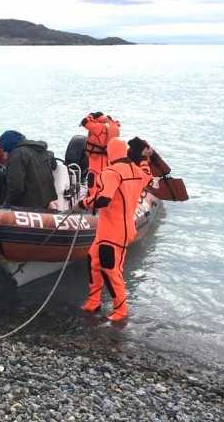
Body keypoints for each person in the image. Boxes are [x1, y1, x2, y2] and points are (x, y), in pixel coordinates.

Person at [71, 137, 147, 322]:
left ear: (110, 152)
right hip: (119, 228)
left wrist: (82, 203)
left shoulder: (111, 172)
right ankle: (93, 301)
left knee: (111, 270)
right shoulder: (138, 172)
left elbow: (104, 199)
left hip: (113, 232)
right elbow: (147, 176)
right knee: (93, 260)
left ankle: (120, 311)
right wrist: (145, 157)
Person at [0, 130, 57, 209]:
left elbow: (16, 186)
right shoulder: (39, 149)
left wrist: (6, 204)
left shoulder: (17, 154)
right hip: (46, 200)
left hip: (29, 206)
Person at [80, 111, 121, 198]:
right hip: (109, 163)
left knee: (93, 189)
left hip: (96, 165)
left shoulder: (99, 127)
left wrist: (91, 116)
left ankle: (93, 207)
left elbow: (84, 122)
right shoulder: (114, 126)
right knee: (106, 187)